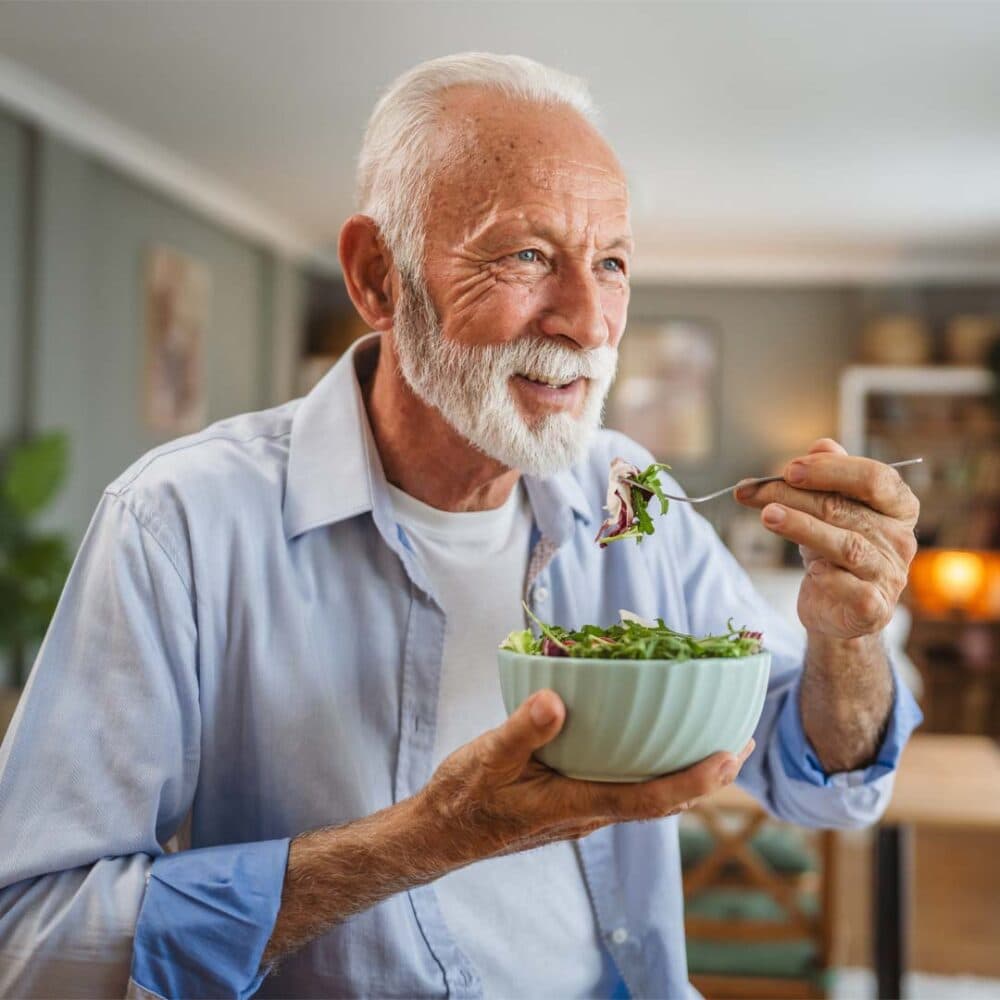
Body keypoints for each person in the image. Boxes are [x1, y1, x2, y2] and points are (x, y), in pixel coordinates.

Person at [0, 53, 922, 999]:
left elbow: (819, 778)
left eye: (610, 264)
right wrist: (424, 843)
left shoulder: (627, 493)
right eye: (527, 255)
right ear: (377, 277)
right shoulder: (179, 526)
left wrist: (845, 640)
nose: (589, 323)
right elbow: (30, 944)